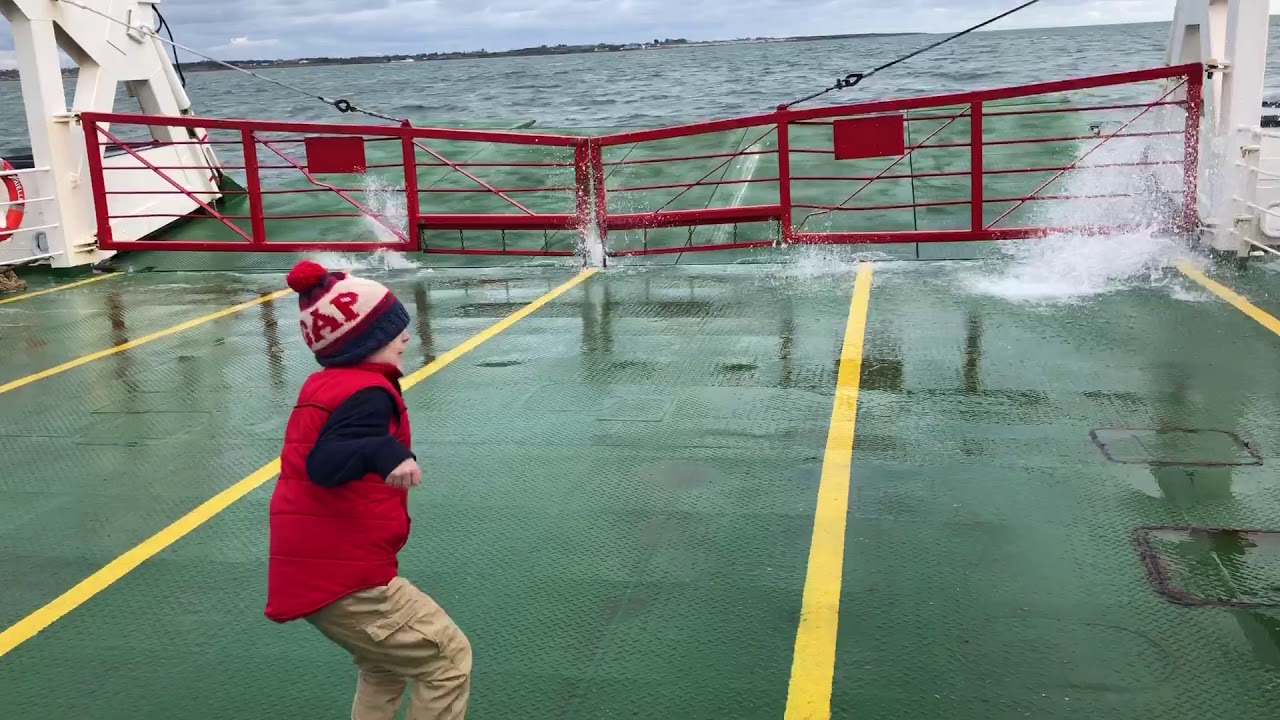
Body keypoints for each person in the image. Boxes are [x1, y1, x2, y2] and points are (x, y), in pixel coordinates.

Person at [264, 260, 471, 720]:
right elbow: (326, 462)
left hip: (322, 570)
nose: (406, 337)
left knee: (384, 665)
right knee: (447, 661)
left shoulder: (327, 386)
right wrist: (386, 451)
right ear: (364, 340)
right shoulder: (368, 394)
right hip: (347, 579)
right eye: (394, 330)